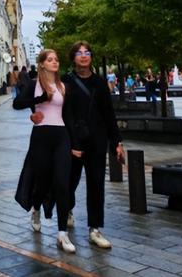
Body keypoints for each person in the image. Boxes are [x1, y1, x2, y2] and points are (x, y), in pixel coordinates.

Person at [56, 41, 125, 249]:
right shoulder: (66, 81)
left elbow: (108, 113)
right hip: (74, 142)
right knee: (70, 181)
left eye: (87, 52)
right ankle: (67, 210)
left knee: (96, 184)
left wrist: (116, 141)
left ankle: (95, 228)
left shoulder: (99, 82)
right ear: (73, 58)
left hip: (97, 141)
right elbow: (62, 112)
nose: (84, 56)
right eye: (79, 53)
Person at [13, 49, 76, 254]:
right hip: (41, 137)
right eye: (50, 59)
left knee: (62, 183)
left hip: (61, 137)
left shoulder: (63, 86)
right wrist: (38, 101)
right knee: (42, 181)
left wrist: (75, 144)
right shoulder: (34, 85)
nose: (54, 62)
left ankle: (62, 234)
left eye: (56, 59)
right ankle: (36, 207)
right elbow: (17, 103)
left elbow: (69, 116)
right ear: (41, 64)